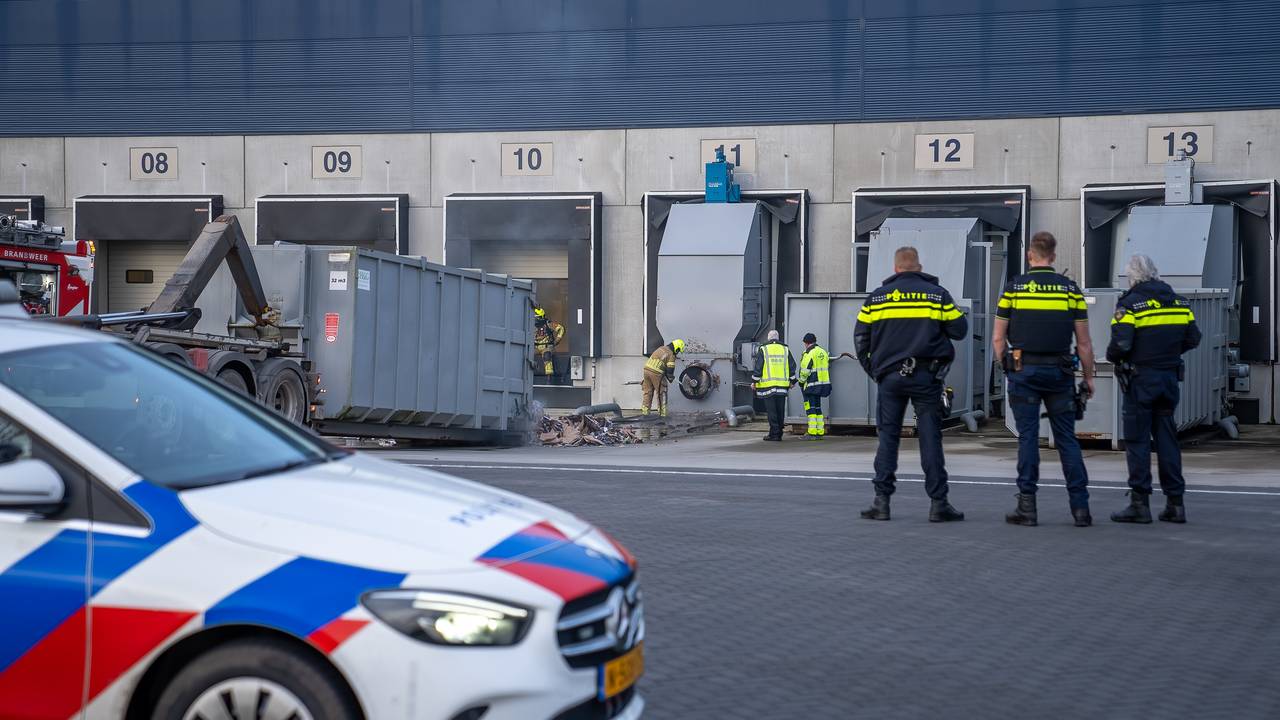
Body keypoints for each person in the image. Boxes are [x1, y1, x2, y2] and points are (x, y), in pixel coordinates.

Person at [855, 246, 967, 522]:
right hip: (926, 377)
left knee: (888, 440)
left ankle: (881, 502)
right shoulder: (936, 295)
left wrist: (877, 372)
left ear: (895, 269)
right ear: (918, 266)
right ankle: (938, 504)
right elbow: (960, 330)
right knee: (930, 439)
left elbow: (860, 340)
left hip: (889, 379)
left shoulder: (876, 299)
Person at [992, 231, 1095, 528]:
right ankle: (1081, 509)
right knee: (1066, 439)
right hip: (1060, 373)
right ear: (1053, 255)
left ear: (1030, 255)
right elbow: (1085, 343)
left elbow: (999, 338)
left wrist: (1007, 367)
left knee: (1028, 438)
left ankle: (1027, 507)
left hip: (1024, 372)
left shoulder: (1014, 289)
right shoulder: (1070, 290)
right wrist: (1088, 378)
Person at [1107, 254, 1201, 524]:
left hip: (1140, 380)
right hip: (1169, 378)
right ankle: (1176, 504)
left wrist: (1117, 358)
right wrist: (1169, 355)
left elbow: (1120, 346)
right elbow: (1193, 338)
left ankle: (1140, 503)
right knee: (1167, 441)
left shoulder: (1130, 304)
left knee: (1137, 442)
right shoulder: (1179, 302)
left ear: (1132, 277)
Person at [752, 330, 796, 441]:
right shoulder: (785, 349)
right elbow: (792, 365)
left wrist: (754, 382)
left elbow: (759, 367)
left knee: (772, 411)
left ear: (768, 338)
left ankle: (774, 434)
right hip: (782, 386)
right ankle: (778, 433)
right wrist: (793, 381)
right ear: (778, 337)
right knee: (780, 410)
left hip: (768, 386)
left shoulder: (764, 349)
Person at [798, 332, 831, 439]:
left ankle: (812, 432)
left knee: (810, 409)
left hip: (811, 386)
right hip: (822, 386)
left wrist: (801, 382)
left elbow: (805, 371)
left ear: (806, 343)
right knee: (818, 408)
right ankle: (820, 432)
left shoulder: (809, 353)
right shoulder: (823, 352)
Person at [641, 338, 684, 417]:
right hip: (656, 373)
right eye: (678, 350)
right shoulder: (671, 354)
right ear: (676, 348)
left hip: (646, 370)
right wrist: (670, 377)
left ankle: (645, 413)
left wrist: (668, 375)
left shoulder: (661, 348)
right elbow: (670, 368)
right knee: (662, 391)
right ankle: (662, 414)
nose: (677, 353)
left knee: (648, 392)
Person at [533, 306, 565, 379]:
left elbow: (561, 328)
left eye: (538, 317)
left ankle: (549, 377)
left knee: (547, 356)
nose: (536, 320)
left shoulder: (548, 324)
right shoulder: (530, 324)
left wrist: (557, 340)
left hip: (547, 347)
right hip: (535, 347)